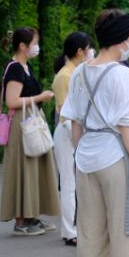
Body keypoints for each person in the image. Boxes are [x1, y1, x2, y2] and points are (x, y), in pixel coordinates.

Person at [63, 9, 129, 257]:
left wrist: (79, 154)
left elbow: (74, 121)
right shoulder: (122, 74)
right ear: (122, 41)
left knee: (90, 231)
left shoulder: (81, 71)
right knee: (123, 229)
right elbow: (126, 124)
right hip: (114, 157)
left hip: (86, 157)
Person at [0, 27, 60, 236]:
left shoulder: (25, 67)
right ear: (23, 46)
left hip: (31, 120)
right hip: (22, 124)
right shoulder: (15, 68)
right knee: (23, 168)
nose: (36, 47)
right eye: (34, 43)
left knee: (33, 168)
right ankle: (21, 221)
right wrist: (40, 98)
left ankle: (32, 216)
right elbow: (12, 101)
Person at [53, 31, 95, 246]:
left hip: (78, 131)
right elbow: (64, 112)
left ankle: (78, 227)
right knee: (69, 184)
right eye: (88, 48)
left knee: (78, 183)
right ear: (80, 51)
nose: (91, 52)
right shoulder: (64, 76)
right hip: (67, 132)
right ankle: (69, 231)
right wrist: (79, 140)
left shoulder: (78, 72)